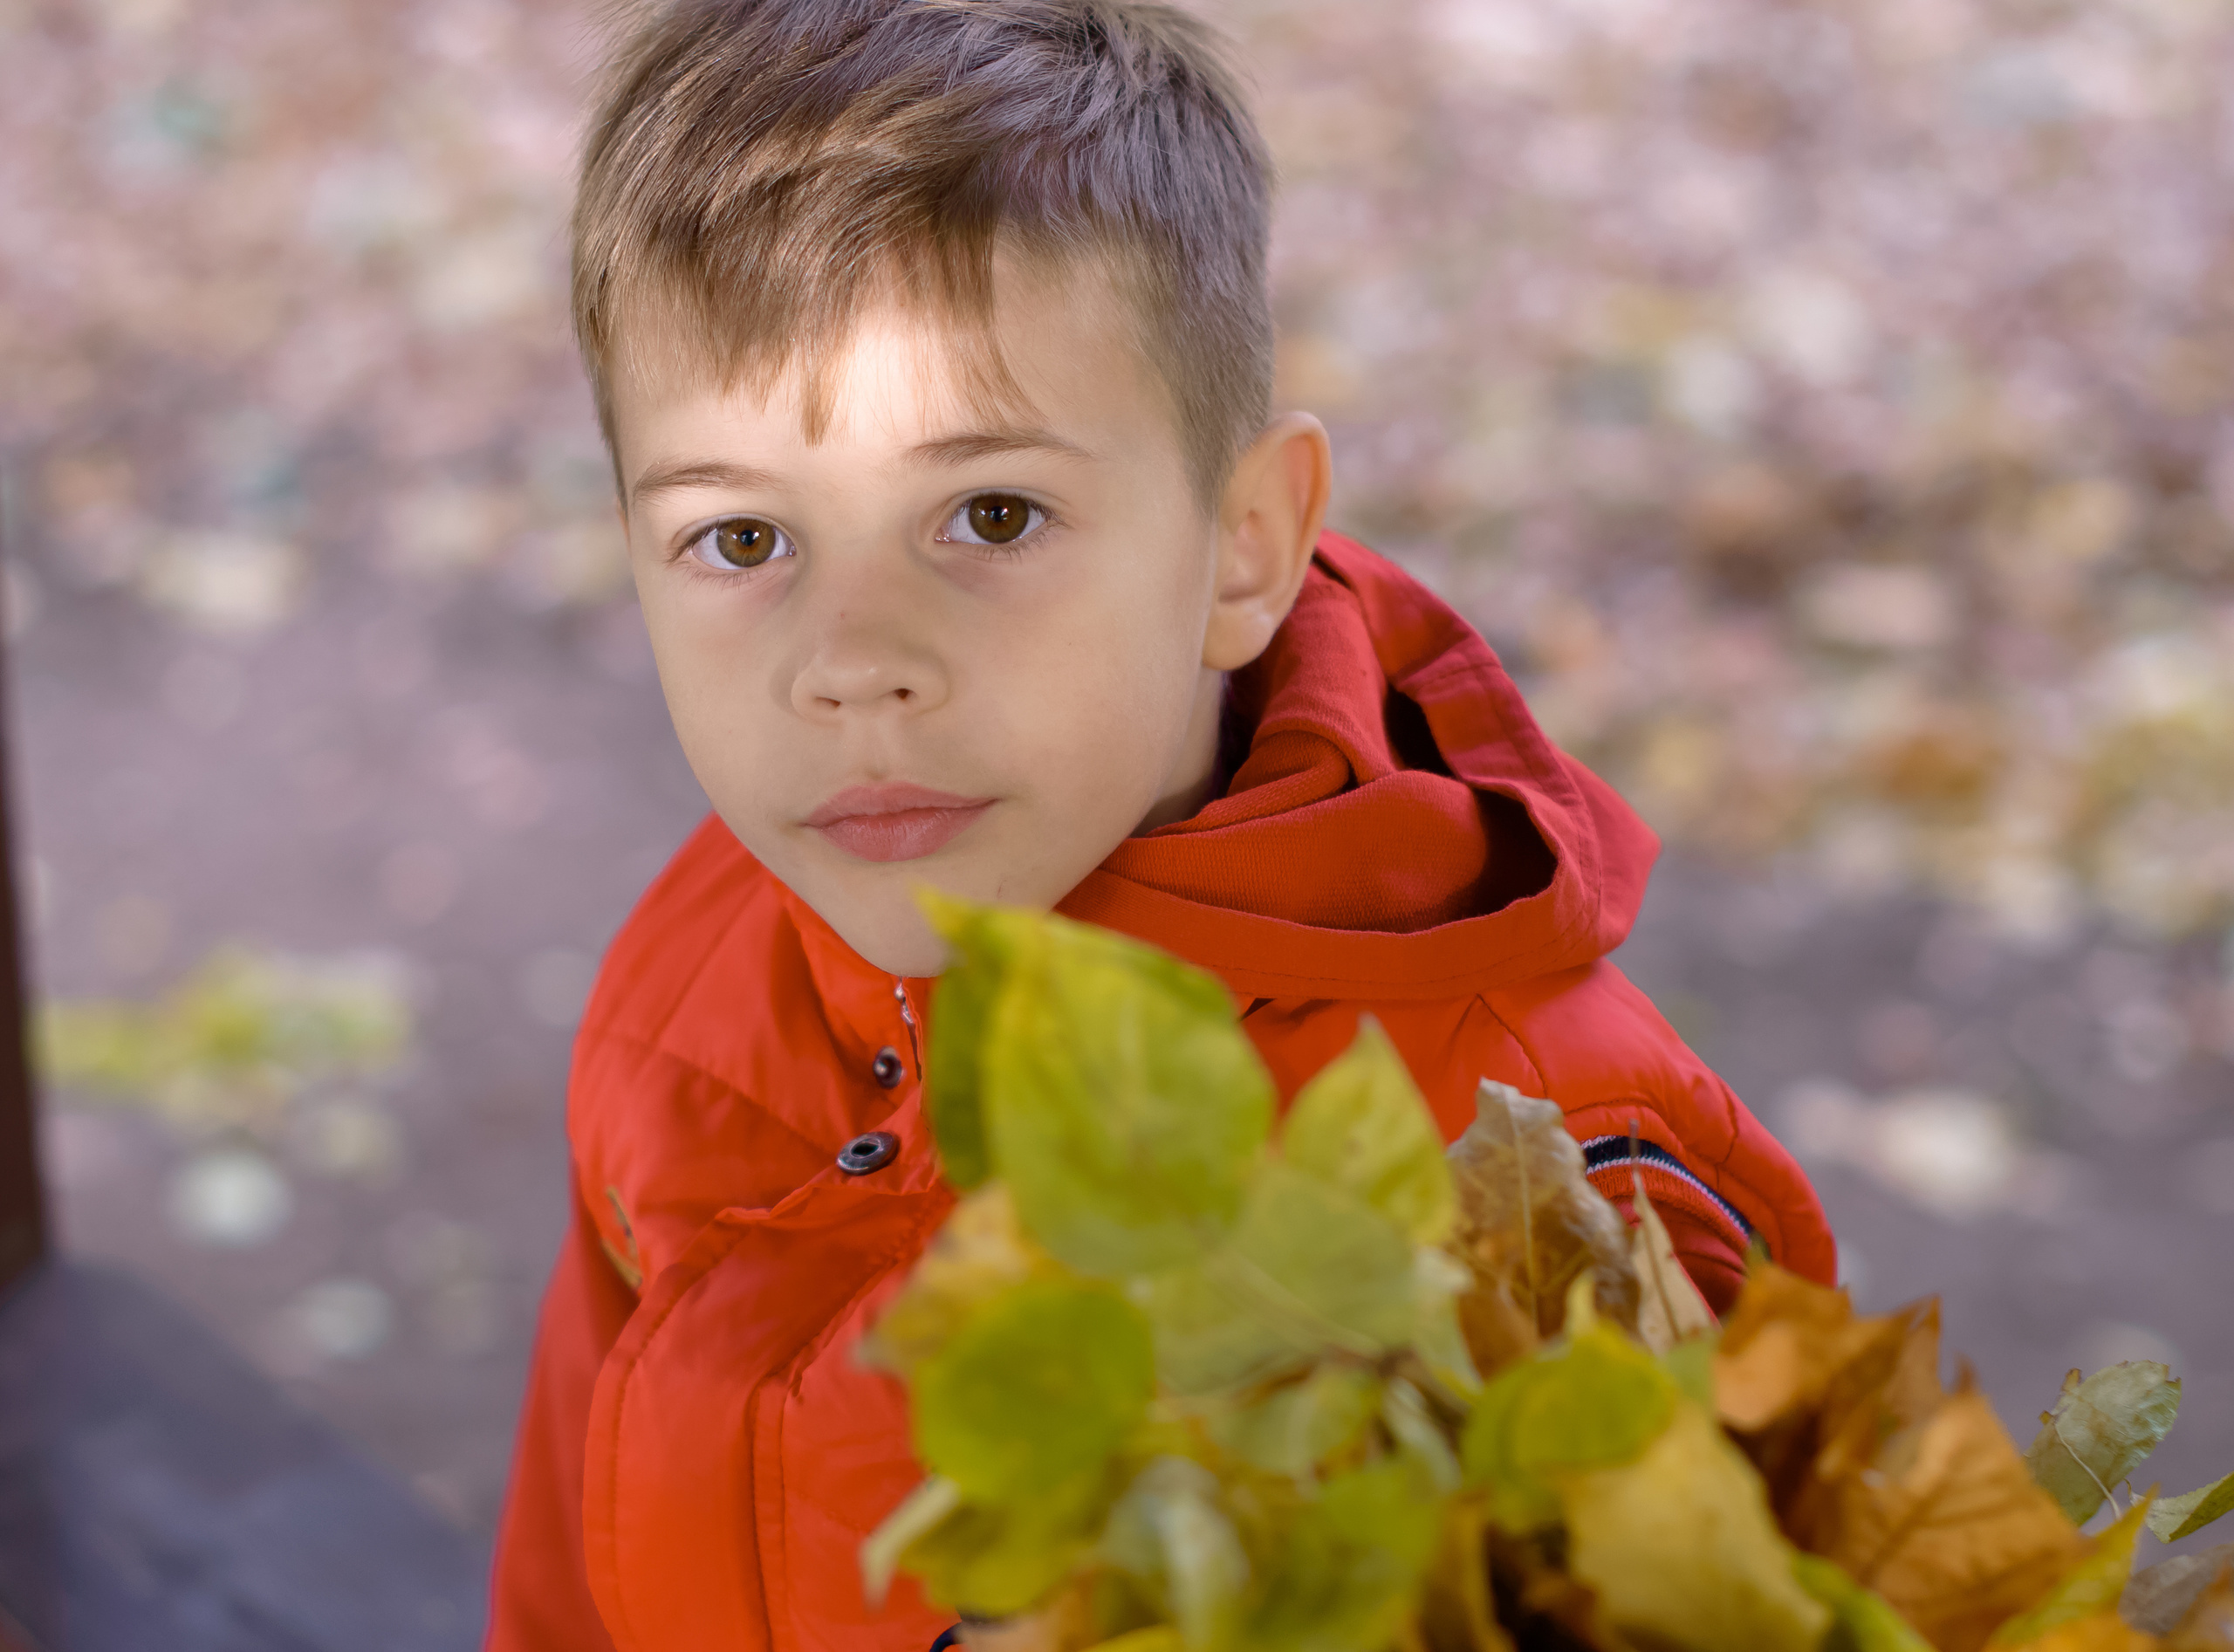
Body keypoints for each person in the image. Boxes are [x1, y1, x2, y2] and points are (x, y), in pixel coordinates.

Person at [487, 1, 1837, 1647]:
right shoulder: (698, 968)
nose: (852, 665)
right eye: (742, 538)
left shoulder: (1530, 1170)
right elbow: (571, 1563)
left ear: (1245, 544)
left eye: (991, 514)